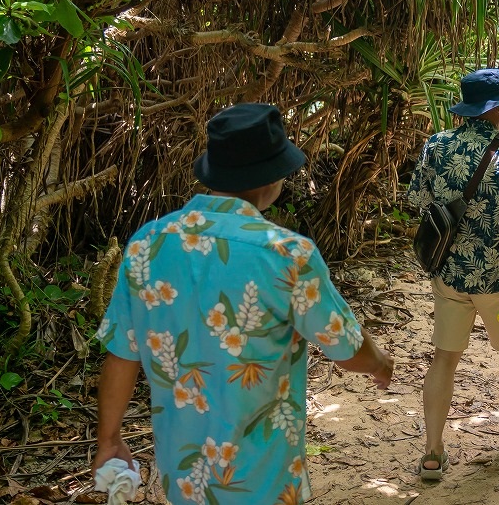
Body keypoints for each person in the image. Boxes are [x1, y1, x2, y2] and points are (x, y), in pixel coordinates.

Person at [92, 104, 393, 505]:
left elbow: (121, 355)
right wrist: (381, 363)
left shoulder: (148, 243)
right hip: (261, 478)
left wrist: (109, 439)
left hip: (183, 475)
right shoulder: (287, 254)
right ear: (272, 180)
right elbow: (348, 349)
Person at [406, 68, 499, 481]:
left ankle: (433, 452)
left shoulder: (436, 146)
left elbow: (420, 201)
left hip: (450, 274)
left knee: (444, 359)